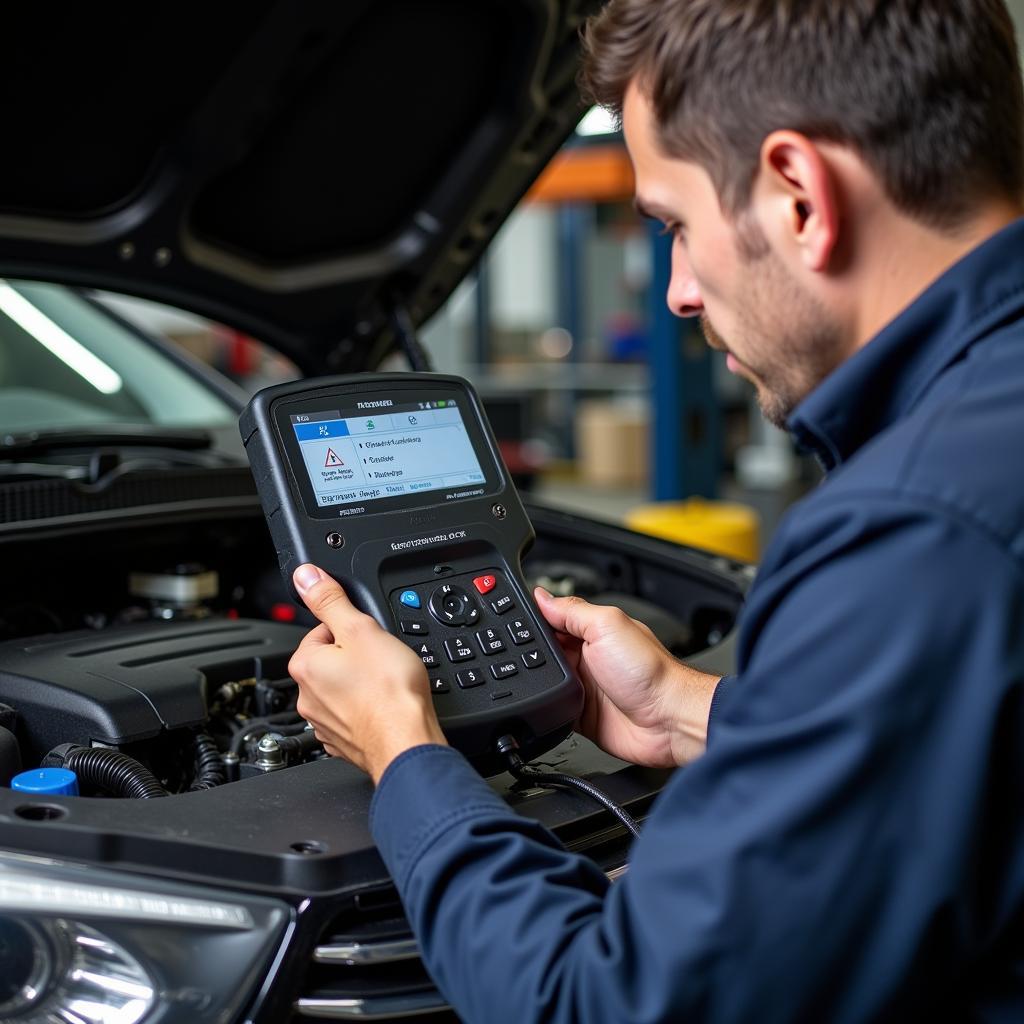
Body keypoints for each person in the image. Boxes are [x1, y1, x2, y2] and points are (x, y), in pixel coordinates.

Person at [287, 0, 1024, 1019]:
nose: (675, 291)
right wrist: (689, 710)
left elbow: (607, 1005)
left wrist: (403, 752)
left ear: (798, 194)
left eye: (675, 224)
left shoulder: (915, 531)